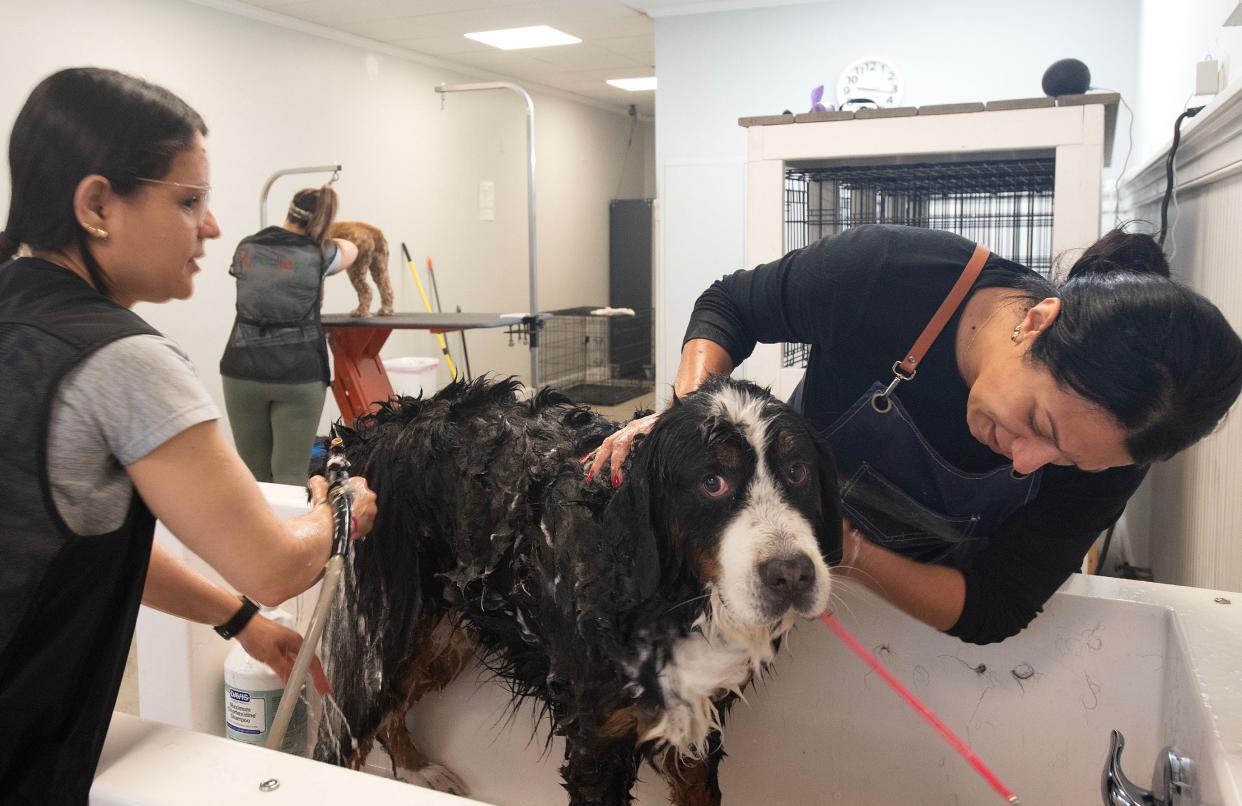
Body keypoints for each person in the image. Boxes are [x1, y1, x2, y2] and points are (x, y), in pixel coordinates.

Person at [0, 67, 377, 803]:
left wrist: (237, 619)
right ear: (98, 203)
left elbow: (67, 541)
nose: (211, 227)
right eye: (190, 201)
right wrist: (338, 511)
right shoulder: (123, 358)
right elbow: (273, 566)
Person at [588, 223, 1242, 645]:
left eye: (1066, 459)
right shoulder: (891, 273)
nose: (1025, 459)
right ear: (1037, 322)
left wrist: (853, 556)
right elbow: (731, 305)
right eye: (1038, 423)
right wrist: (687, 416)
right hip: (780, 557)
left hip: (910, 609)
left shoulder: (1118, 446)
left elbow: (996, 604)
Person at [219, 186, 359, 485]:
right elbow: (352, 249)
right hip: (299, 376)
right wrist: (325, 236)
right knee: (289, 478)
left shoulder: (248, 247)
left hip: (241, 371)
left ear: (290, 210)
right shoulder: (322, 254)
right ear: (323, 219)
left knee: (253, 479)